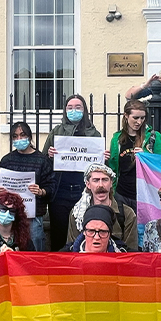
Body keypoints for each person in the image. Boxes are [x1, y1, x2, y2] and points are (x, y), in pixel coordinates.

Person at [43, 94, 106, 251]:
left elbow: (98, 167)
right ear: (65, 111)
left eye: (78, 107)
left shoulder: (94, 133)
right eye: (70, 108)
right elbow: (43, 162)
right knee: (59, 233)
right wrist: (49, 156)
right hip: (60, 191)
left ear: (84, 110)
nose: (74, 111)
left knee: (83, 232)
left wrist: (104, 157)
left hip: (83, 191)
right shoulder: (56, 131)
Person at [0, 121, 53, 250]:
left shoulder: (41, 160)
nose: (19, 139)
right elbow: (0, 184)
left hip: (32, 217)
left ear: (29, 136)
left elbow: (51, 186)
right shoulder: (6, 160)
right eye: (15, 136)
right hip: (10, 216)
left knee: (35, 254)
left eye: (22, 135)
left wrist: (41, 191)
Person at [65, 163, 137, 251]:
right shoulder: (77, 214)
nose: (101, 185)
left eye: (105, 180)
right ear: (88, 184)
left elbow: (131, 252)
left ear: (111, 183)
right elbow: (72, 249)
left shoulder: (127, 213)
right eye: (95, 180)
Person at [107, 99, 161, 206]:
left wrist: (146, 155)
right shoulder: (116, 138)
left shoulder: (154, 137)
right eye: (135, 118)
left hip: (145, 194)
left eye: (142, 118)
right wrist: (105, 158)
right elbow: (113, 168)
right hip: (121, 194)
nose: (139, 122)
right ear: (126, 116)